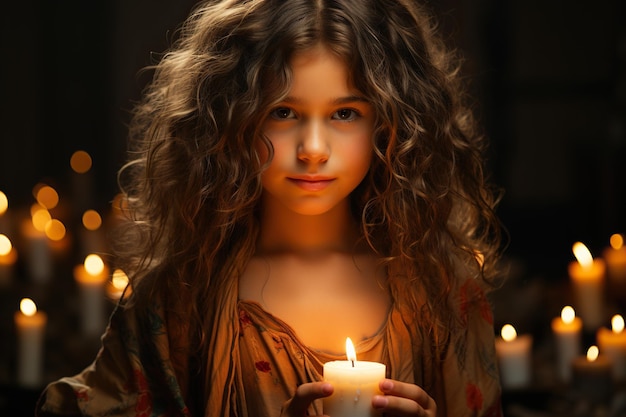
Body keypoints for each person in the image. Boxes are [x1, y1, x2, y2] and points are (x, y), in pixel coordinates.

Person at [37, 0, 504, 415]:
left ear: (391, 124)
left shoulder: (443, 293)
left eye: (345, 114)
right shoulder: (182, 298)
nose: (314, 149)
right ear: (230, 120)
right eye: (283, 112)